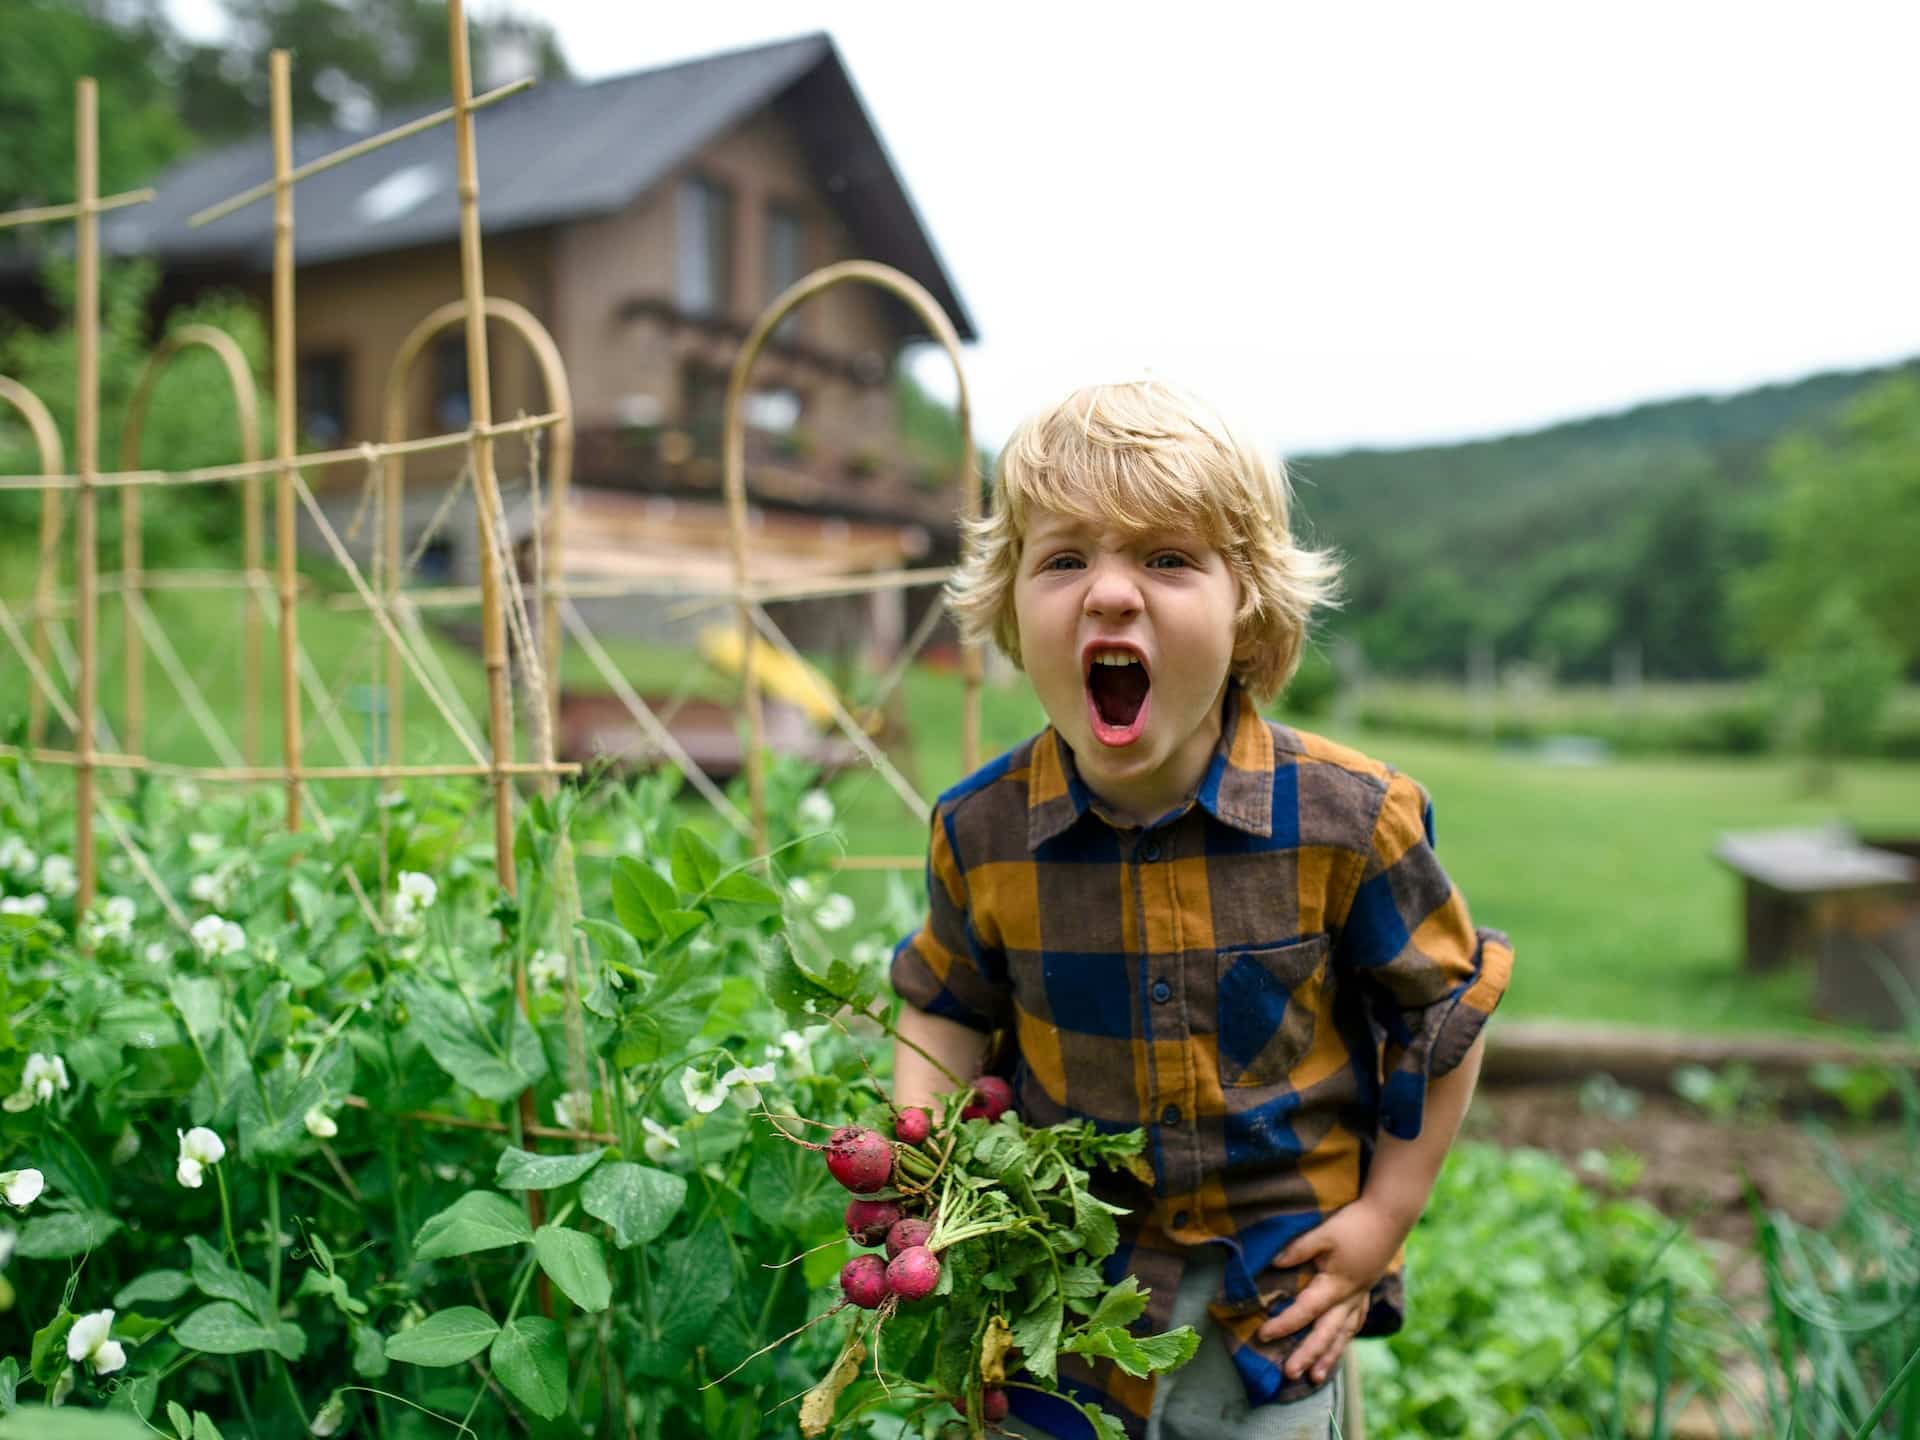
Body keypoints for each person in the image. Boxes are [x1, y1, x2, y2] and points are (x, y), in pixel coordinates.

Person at [889, 379, 1515, 1440]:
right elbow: (942, 1002)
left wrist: (1382, 1221)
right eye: (1065, 559)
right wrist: (920, 1168)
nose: (1110, 594)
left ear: (1249, 611)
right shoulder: (979, 831)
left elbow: (1440, 1022)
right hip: (1059, 1307)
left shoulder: (1350, 819)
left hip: (1273, 1305)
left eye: (1167, 559)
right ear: (1008, 609)